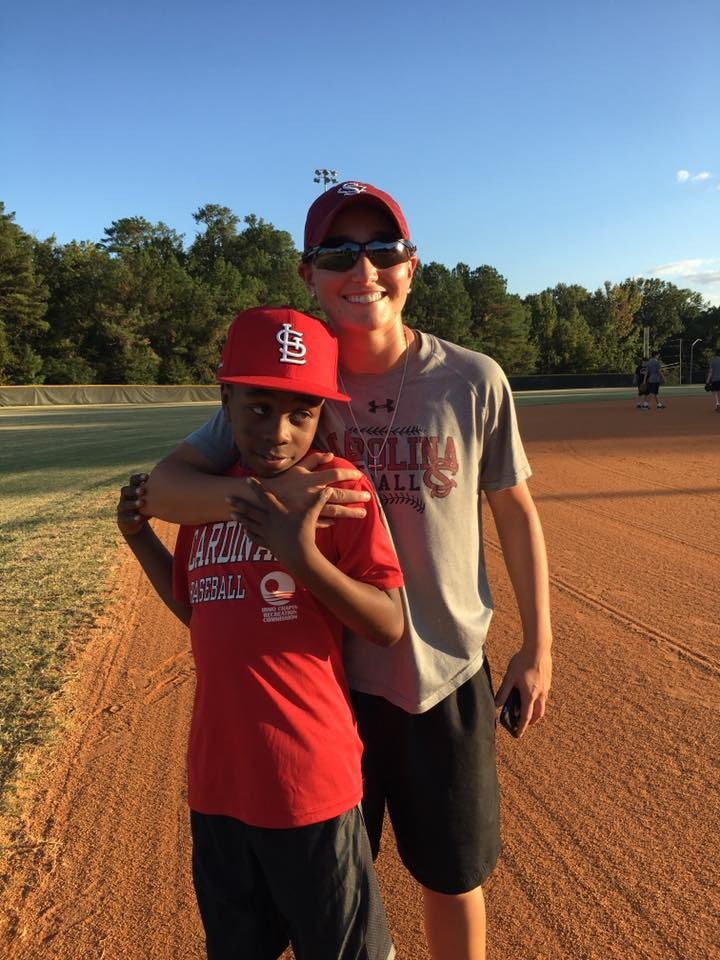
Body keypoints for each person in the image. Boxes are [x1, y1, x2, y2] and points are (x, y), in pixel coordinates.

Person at [139, 181, 553, 960]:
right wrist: (270, 501)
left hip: (443, 671)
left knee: (452, 876)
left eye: (383, 250)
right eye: (338, 255)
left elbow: (515, 511)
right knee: (323, 895)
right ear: (310, 275)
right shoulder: (290, 378)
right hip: (330, 689)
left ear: (411, 265)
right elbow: (164, 488)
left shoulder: (472, 379)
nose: (363, 270)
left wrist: (538, 647)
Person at [117, 306, 404, 960]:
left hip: (311, 782)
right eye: (258, 408)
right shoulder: (204, 498)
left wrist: (303, 558)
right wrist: (139, 539)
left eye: (301, 413)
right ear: (226, 401)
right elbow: (198, 611)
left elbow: (389, 623)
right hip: (219, 781)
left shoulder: (336, 490)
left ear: (321, 414)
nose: (279, 431)